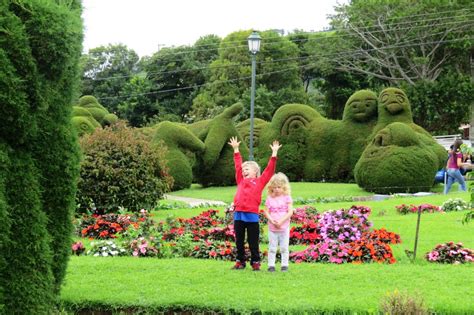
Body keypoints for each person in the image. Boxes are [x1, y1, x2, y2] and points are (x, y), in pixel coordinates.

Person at [228, 136, 281, 271]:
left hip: (251, 216)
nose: (244, 171)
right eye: (244, 169)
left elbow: (269, 170)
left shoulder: (260, 181)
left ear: (255, 172)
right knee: (239, 241)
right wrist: (236, 150)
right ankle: (240, 261)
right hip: (239, 215)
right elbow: (237, 167)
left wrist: (274, 154)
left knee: (253, 242)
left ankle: (255, 262)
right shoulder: (240, 180)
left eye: (247, 169)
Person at [263, 172, 293, 272]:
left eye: (279, 187)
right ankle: (271, 265)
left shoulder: (287, 198)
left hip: (284, 227)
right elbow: (266, 212)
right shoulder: (269, 199)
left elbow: (290, 212)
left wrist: (281, 221)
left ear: (284, 187)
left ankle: (285, 265)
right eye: (274, 187)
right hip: (272, 227)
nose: (276, 189)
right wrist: (272, 221)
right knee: (272, 247)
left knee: (284, 247)